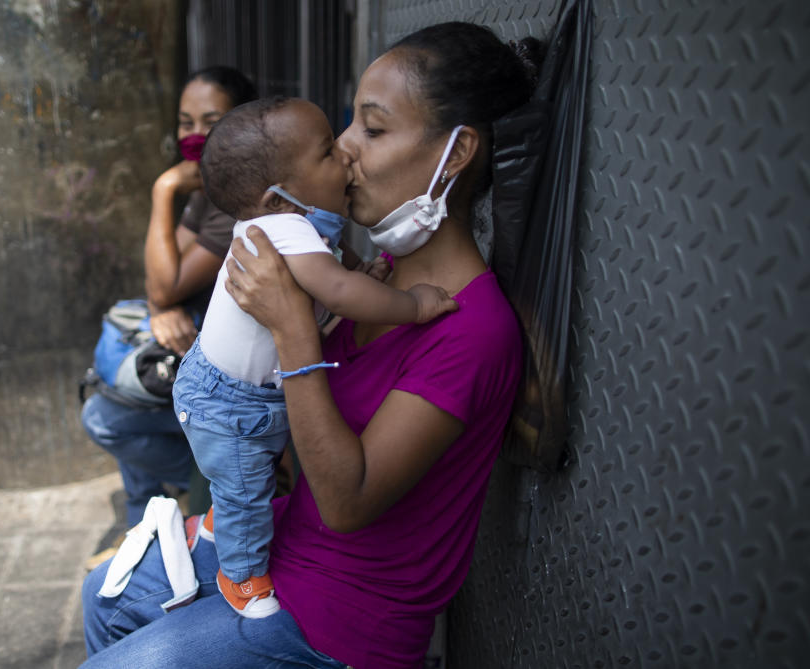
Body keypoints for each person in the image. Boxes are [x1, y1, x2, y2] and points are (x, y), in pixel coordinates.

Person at [81, 21, 540, 668]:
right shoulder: (369, 275)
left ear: (456, 153)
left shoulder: (473, 328)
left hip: (340, 618)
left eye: (373, 129)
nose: (346, 148)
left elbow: (347, 501)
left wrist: (292, 327)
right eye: (349, 123)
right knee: (104, 595)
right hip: (286, 543)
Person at [171, 95, 458, 618]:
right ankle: (240, 577)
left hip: (238, 388)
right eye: (327, 153)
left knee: (247, 476)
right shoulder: (285, 229)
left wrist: (360, 275)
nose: (345, 156)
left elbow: (339, 274)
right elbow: (340, 293)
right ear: (279, 197)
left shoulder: (304, 224)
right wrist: (412, 305)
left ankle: (219, 516)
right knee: (247, 488)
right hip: (227, 402)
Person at [81, 66, 257, 545]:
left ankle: (225, 480)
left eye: (211, 120)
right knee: (119, 378)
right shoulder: (207, 185)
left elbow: (164, 287)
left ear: (240, 123)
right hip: (187, 341)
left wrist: (163, 190)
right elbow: (160, 279)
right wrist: (163, 305)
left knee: (102, 416)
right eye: (186, 122)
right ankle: (141, 527)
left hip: (222, 372)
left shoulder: (234, 198)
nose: (195, 135)